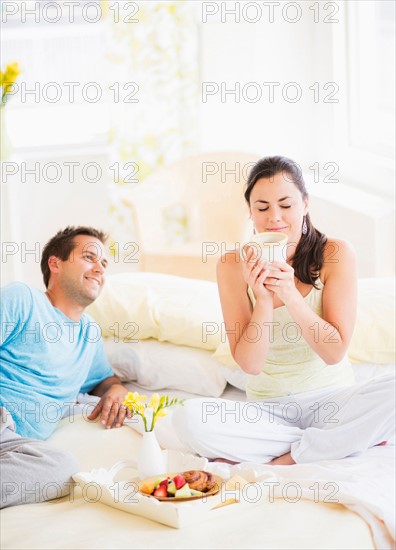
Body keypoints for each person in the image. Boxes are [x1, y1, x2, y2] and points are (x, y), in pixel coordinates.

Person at [172, 156, 395, 465]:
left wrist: (291, 297)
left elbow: (334, 352)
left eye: (286, 205)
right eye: (262, 208)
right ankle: (334, 444)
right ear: (250, 213)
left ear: (305, 204)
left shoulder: (336, 254)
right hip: (268, 411)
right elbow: (250, 364)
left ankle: (292, 455)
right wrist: (263, 301)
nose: (274, 217)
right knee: (188, 419)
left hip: (333, 403)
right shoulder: (232, 266)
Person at [0, 226, 131, 508]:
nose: (100, 269)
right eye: (89, 257)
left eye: (104, 264)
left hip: (12, 445)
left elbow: (105, 380)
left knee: (60, 468)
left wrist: (117, 392)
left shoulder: (89, 334)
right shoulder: (23, 299)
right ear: (55, 263)